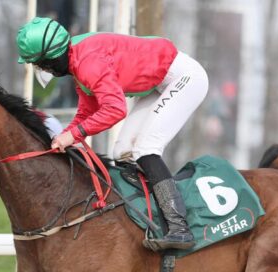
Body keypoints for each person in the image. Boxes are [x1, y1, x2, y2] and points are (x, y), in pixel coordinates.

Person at [16, 16, 209, 251]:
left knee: (146, 149)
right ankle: (147, 217)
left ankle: (180, 228)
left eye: (41, 64)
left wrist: (73, 135)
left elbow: (115, 109)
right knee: (123, 151)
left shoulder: (88, 63)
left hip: (183, 78)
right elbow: (87, 111)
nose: (41, 69)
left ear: (53, 57)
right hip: (158, 83)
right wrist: (65, 136)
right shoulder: (76, 60)